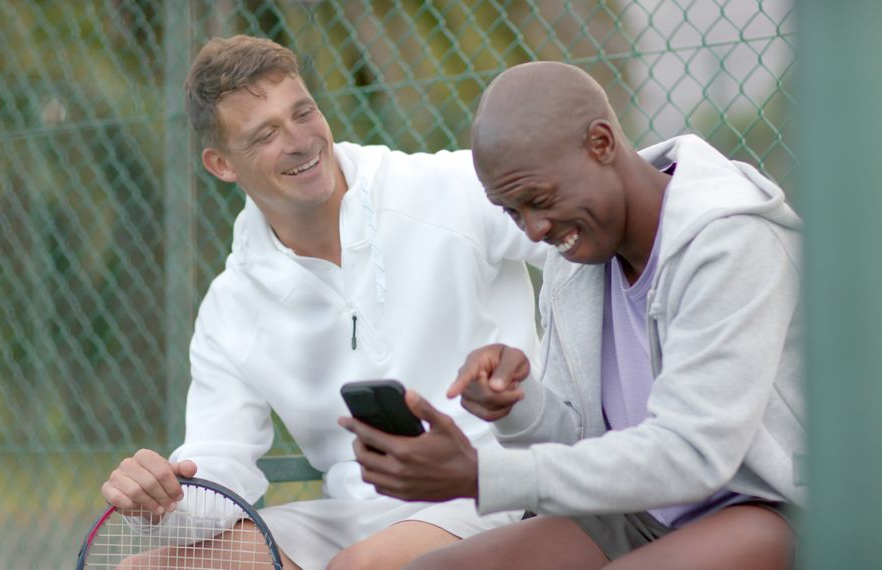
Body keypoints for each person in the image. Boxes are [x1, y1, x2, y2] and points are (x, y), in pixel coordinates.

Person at [100, 35, 546, 569]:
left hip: (492, 488)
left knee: (358, 567)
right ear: (222, 164)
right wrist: (161, 496)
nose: (299, 140)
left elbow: (587, 222)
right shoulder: (230, 308)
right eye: (265, 133)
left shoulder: (447, 188)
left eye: (303, 112)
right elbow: (219, 470)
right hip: (354, 517)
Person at [341, 61, 804, 569]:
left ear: (601, 143)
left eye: (539, 200)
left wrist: (481, 475)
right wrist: (517, 405)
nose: (534, 230)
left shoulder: (730, 240)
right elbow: (585, 449)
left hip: (775, 511)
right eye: (513, 212)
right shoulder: (578, 257)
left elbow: (694, 454)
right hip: (640, 513)